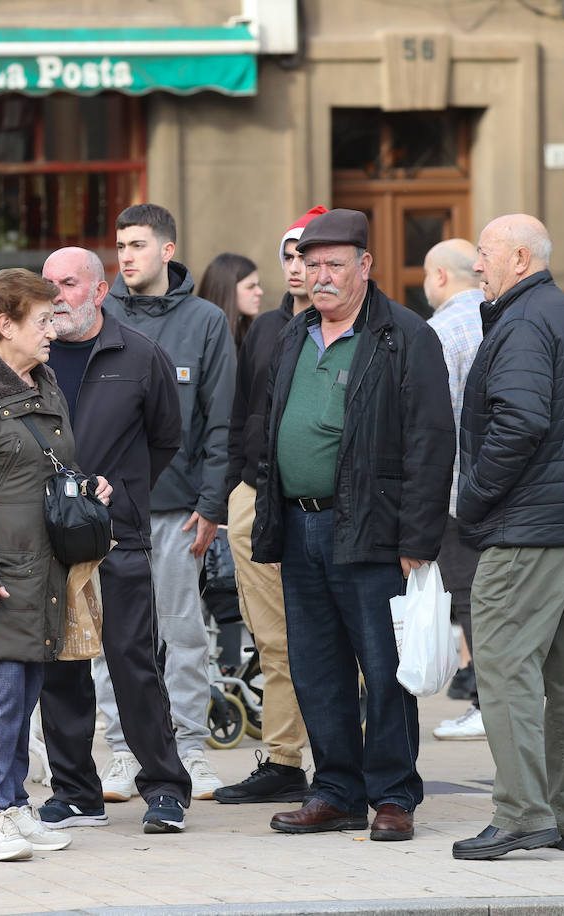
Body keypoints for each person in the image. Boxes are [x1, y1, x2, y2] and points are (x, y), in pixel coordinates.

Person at [251, 208, 453, 842]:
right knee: (316, 667)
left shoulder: (405, 335)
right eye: (311, 265)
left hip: (373, 529)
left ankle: (393, 795)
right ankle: (336, 790)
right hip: (300, 524)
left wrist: (417, 539)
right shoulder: (292, 334)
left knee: (384, 667)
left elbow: (431, 441)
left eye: (334, 264)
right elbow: (266, 427)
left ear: (365, 266)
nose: (321, 276)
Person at [0, 268, 112, 860]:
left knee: (25, 688)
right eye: (43, 320)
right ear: (5, 324)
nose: (54, 329)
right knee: (0, 695)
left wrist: (86, 491)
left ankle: (12, 806)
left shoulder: (43, 382)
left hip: (41, 571)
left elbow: (47, 468)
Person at [452, 213, 564, 860]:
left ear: (519, 257)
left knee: (504, 666)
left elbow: (518, 423)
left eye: (485, 255)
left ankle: (520, 813)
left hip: (526, 526)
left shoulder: (521, 321)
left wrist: (474, 496)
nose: (478, 267)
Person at [36, 246, 192, 833]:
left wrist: (123, 491)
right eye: (48, 283)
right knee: (61, 666)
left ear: (99, 292)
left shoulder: (140, 354)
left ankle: (165, 786)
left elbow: (165, 438)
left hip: (117, 535)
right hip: (47, 537)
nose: (56, 296)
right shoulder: (31, 356)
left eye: (69, 283)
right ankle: (77, 791)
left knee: (133, 660)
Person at [95, 203, 236, 801]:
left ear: (167, 250)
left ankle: (190, 751)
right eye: (120, 245)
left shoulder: (206, 321)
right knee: (110, 640)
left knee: (184, 634)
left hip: (180, 511)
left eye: (137, 245)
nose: (126, 256)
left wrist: (212, 505)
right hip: (105, 513)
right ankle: (120, 752)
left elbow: (222, 421)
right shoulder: (97, 316)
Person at [215, 206, 324, 804]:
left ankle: (341, 757)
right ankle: (284, 759)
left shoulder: (359, 330)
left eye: (308, 256)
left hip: (323, 506)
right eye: (288, 256)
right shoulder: (263, 329)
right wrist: (234, 491)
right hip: (256, 500)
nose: (296, 267)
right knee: (272, 638)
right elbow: (240, 417)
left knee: (331, 636)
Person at [421, 239, 488, 740]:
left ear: (440, 276)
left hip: (455, 493)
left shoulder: (442, 330)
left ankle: (486, 703)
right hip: (500, 488)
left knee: (468, 601)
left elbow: (432, 420)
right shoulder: (498, 318)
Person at [198, 253, 262, 349]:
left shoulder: (253, 333)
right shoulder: (199, 335)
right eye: (250, 287)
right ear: (226, 290)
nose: (260, 292)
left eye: (258, 285)